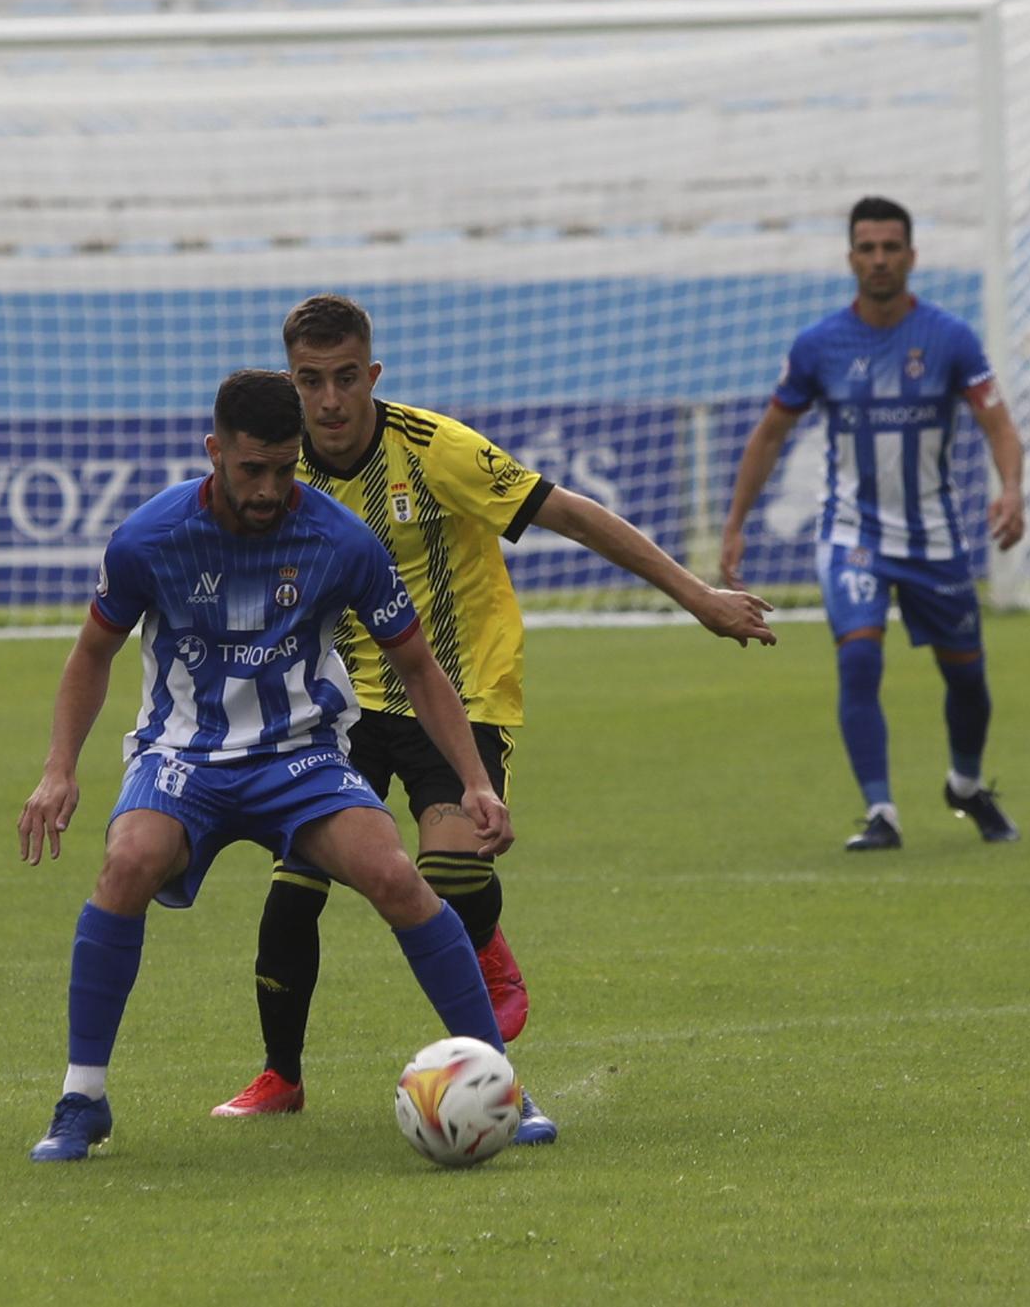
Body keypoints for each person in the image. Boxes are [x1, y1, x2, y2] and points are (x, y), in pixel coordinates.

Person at [209, 294, 778, 1138]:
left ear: (373, 374)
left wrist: (698, 597)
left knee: (447, 881)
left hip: (458, 692)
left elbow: (572, 513)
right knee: (296, 885)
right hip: (342, 707)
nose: (329, 401)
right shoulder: (280, 467)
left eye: (344, 379)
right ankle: (279, 1078)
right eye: (309, 381)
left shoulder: (437, 449)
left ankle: (499, 1075)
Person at [17, 369, 518, 1162]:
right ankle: (82, 1100)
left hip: (301, 758)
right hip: (186, 755)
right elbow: (93, 651)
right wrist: (58, 768)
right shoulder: (150, 538)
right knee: (128, 861)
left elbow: (420, 666)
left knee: (395, 875)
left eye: (286, 469)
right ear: (215, 452)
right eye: (252, 469)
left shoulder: (339, 539)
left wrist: (475, 781)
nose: (269, 488)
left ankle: (499, 1086)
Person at [720, 195, 1026, 853]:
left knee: (967, 678)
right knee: (859, 657)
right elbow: (771, 434)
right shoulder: (819, 345)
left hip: (935, 538)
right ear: (851, 256)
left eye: (892, 247)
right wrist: (735, 523)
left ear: (912, 256)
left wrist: (1013, 490)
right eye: (868, 247)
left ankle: (966, 785)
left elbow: (998, 422)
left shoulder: (950, 337)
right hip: (851, 533)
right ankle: (881, 810)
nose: (880, 259)